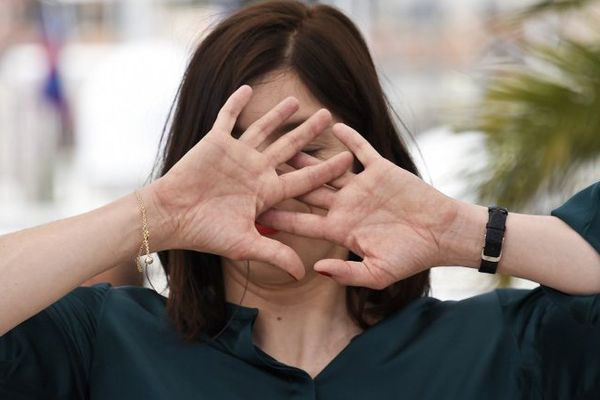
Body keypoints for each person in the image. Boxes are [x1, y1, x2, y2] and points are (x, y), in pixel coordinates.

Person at [1, 1, 599, 399]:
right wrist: (156, 215)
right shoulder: (102, 343)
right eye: (242, 149)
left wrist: (464, 231)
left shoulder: (503, 348)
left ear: (375, 159)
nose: (271, 181)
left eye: (309, 148)